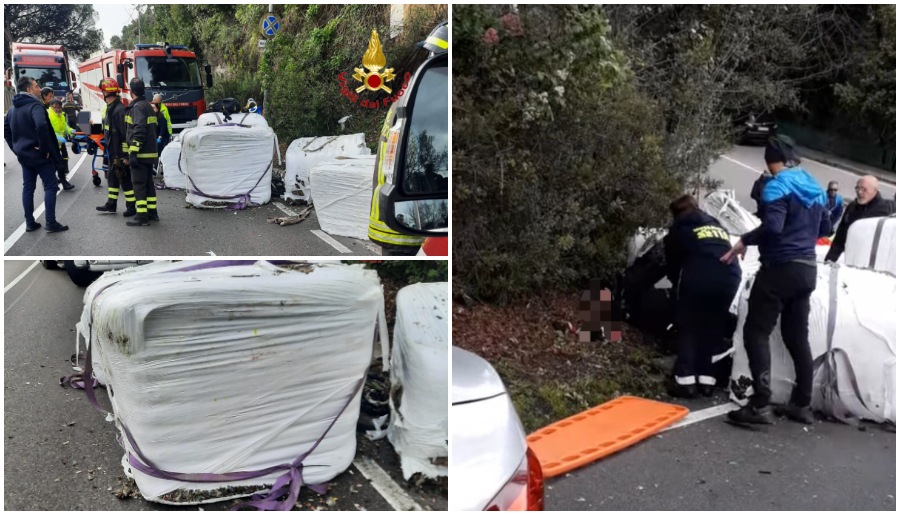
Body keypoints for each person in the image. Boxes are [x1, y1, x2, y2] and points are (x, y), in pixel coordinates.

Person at [721, 137, 832, 425]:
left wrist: (745, 239)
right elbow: (826, 227)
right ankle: (801, 404)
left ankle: (759, 405)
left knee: (755, 332)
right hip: (808, 270)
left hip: (780, 268)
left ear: (771, 162)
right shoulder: (814, 187)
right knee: (796, 337)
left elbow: (773, 227)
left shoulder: (777, 185)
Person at [663, 194, 741, 398]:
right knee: (713, 326)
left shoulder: (680, 227)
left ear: (677, 213)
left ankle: (685, 382)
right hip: (730, 277)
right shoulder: (716, 224)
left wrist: (676, 285)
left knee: (690, 324)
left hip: (701, 275)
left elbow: (672, 262)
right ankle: (707, 381)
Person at [3, 76, 69, 233]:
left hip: (24, 156)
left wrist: (17, 149)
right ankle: (51, 222)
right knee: (51, 185)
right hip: (40, 156)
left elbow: (6, 131)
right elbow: (41, 125)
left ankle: (30, 223)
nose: (40, 89)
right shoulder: (35, 106)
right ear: (29, 90)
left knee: (28, 188)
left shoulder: (12, 109)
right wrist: (45, 149)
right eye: (37, 86)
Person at [824, 175, 894, 262]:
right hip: (852, 258)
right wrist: (829, 259)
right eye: (857, 188)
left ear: (875, 190)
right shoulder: (852, 207)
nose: (860, 192)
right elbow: (840, 237)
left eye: (864, 190)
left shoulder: (886, 210)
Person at [95, 79, 136, 217]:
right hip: (112, 152)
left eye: (103, 91)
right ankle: (111, 204)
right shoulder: (110, 109)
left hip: (119, 153)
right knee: (112, 178)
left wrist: (125, 155)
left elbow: (125, 135)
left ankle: (131, 207)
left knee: (125, 180)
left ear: (106, 92)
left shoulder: (118, 110)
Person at [125, 78, 159, 226]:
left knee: (138, 185)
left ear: (131, 91)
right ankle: (152, 213)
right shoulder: (148, 106)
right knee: (149, 185)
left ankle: (142, 217)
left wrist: (133, 152)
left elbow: (139, 130)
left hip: (141, 153)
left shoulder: (137, 107)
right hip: (150, 153)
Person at [47, 98, 76, 191]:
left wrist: (71, 130)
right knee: (55, 165)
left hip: (58, 144)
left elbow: (65, 126)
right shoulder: (48, 115)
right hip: (50, 144)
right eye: (56, 108)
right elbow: (46, 130)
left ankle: (62, 183)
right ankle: (56, 183)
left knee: (58, 164)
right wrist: (56, 136)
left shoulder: (61, 115)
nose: (58, 109)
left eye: (59, 107)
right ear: (51, 107)